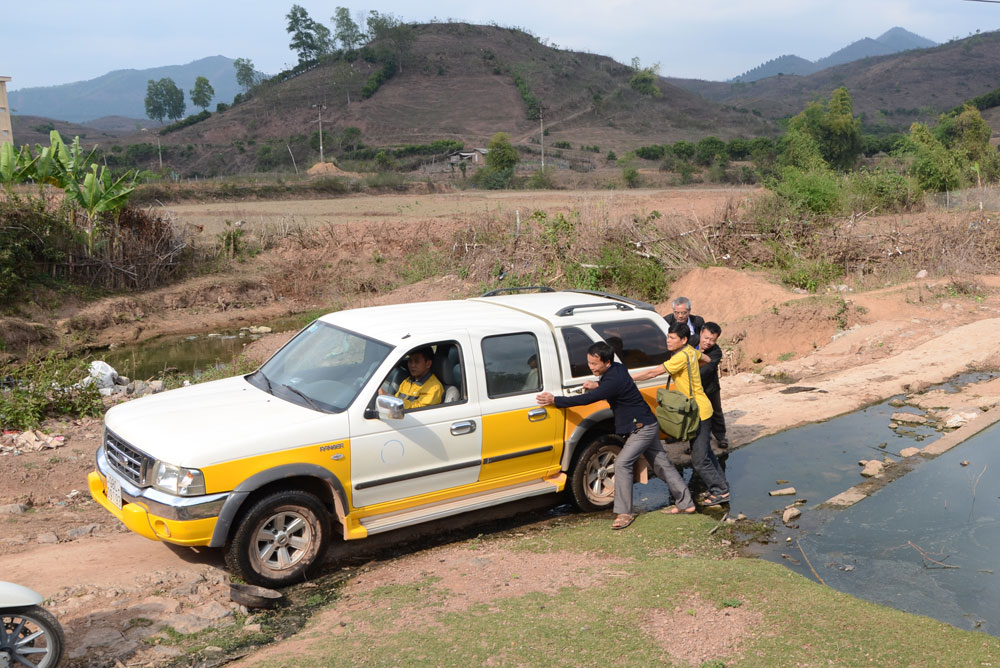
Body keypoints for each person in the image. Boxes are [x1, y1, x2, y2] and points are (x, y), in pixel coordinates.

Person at [537, 341, 694, 529]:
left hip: (641, 428)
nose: (591, 367)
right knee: (662, 464)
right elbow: (609, 386)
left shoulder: (612, 380)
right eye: (589, 362)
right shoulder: (618, 369)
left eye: (595, 364)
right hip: (648, 423)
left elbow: (586, 399)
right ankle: (687, 503)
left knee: (622, 463)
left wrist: (555, 400)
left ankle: (624, 513)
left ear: (607, 362)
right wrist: (597, 385)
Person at [632, 322, 731, 506]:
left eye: (672, 338)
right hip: (701, 409)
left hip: (698, 413)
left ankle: (721, 491)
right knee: (707, 453)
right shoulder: (690, 352)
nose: (668, 341)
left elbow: (654, 372)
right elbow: (707, 360)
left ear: (683, 340)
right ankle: (722, 487)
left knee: (699, 460)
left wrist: (627, 378)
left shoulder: (680, 357)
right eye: (668, 337)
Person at [379, 346, 444, 410]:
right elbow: (396, 399)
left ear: (428, 364)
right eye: (410, 361)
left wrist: (389, 397)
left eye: (417, 361)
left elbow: (419, 410)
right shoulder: (407, 381)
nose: (412, 365)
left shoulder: (434, 388)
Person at [698, 322, 729, 449]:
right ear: (700, 333)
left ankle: (721, 436)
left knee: (716, 411)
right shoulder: (690, 341)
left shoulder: (716, 352)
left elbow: (707, 370)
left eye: (712, 340)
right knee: (695, 414)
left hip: (710, 386)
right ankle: (697, 442)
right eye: (706, 338)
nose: (708, 342)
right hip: (692, 387)